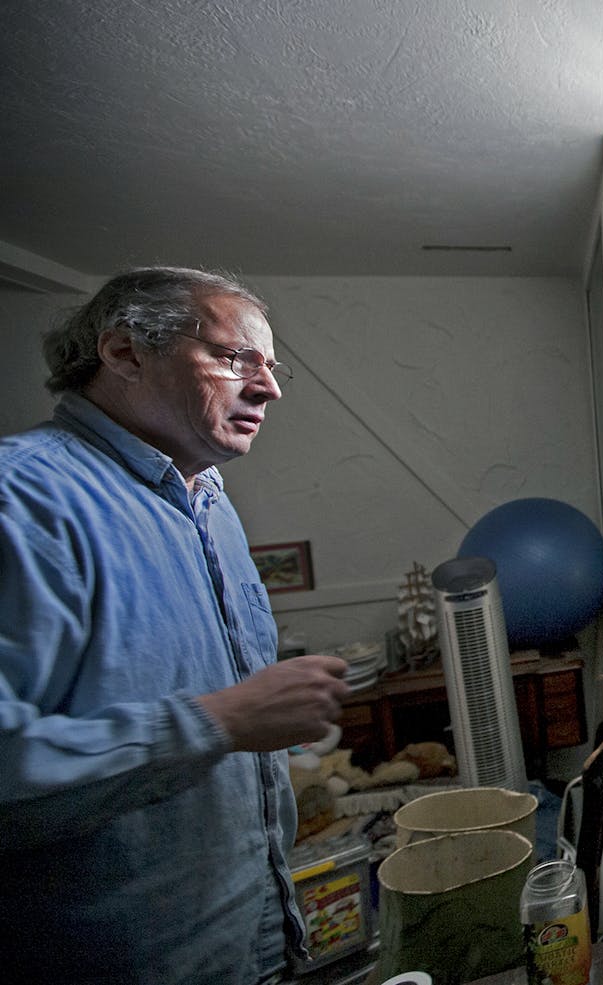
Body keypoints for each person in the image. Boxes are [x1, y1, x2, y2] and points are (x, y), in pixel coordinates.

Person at [0, 267, 352, 983]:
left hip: (254, 935)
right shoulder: (24, 500)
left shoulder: (212, 502)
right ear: (126, 353)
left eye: (272, 366)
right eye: (235, 358)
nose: (270, 387)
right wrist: (216, 720)